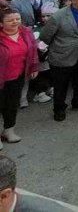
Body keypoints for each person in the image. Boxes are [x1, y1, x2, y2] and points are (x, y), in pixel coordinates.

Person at [39, 0, 78, 122]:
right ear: (74, 0)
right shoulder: (58, 16)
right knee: (61, 85)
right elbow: (45, 36)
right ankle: (59, 108)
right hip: (63, 55)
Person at [0, 9, 39, 146]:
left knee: (11, 105)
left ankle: (8, 130)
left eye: (17, 19)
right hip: (1, 78)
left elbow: (33, 50)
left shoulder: (26, 32)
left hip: (18, 76)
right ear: (1, 23)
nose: (15, 22)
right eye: (10, 20)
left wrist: (34, 67)